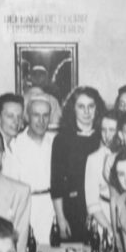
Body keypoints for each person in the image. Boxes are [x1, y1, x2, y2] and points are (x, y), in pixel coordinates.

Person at [51, 86, 105, 241]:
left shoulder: (103, 136)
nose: (87, 112)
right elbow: (56, 184)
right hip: (74, 208)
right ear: (73, 109)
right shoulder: (62, 140)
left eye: (91, 106)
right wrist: (61, 219)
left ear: (97, 108)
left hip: (100, 207)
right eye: (81, 107)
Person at [6, 95, 55, 242]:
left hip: (51, 206)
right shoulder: (16, 144)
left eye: (45, 115)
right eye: (36, 115)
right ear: (27, 116)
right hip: (27, 206)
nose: (41, 121)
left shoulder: (55, 142)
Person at [83, 112, 119, 232]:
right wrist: (110, 231)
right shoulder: (94, 159)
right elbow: (92, 203)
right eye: (104, 130)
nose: (107, 135)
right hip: (103, 219)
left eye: (112, 130)